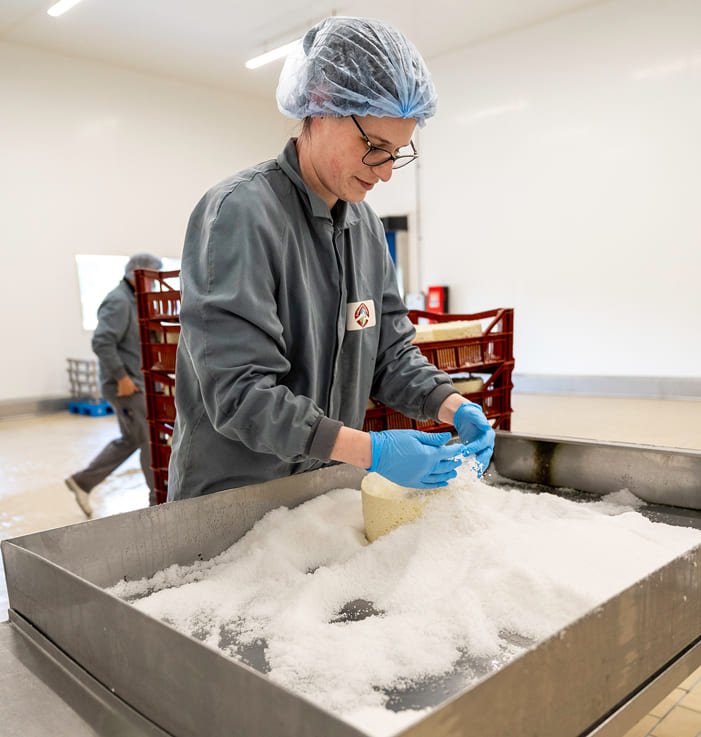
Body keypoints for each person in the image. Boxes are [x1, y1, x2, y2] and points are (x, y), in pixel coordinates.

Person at [168, 16, 494, 501]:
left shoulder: (364, 228)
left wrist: (449, 403)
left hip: (319, 490)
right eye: (374, 148)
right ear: (320, 109)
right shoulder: (239, 214)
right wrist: (372, 451)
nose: (385, 174)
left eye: (397, 154)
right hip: (231, 500)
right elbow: (240, 394)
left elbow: (389, 353)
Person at [65, 253, 163, 515]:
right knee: (149, 442)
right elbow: (102, 342)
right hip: (127, 385)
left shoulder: (136, 301)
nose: (153, 285)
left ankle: (83, 482)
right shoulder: (119, 301)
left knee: (132, 439)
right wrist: (121, 377)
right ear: (137, 274)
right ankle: (159, 502)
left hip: (138, 381)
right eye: (151, 278)